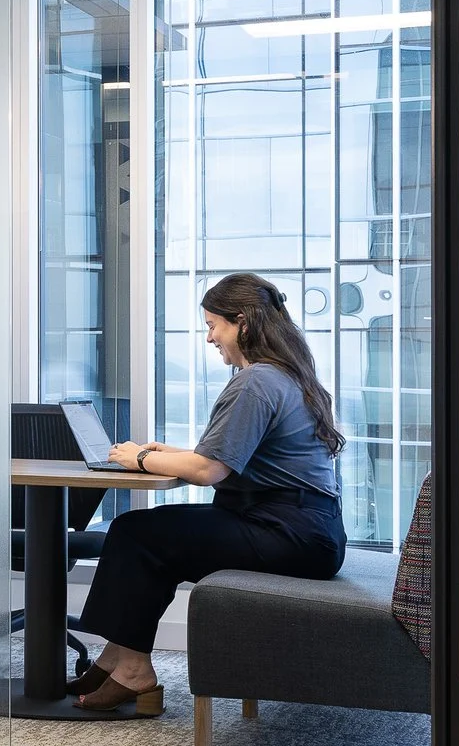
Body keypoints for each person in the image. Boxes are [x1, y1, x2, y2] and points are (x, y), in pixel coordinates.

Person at [74, 271, 350, 715]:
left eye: (213, 325)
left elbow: (208, 470)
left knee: (135, 532)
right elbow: (232, 458)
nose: (209, 338)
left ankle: (133, 672)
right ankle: (119, 658)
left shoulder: (257, 381)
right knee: (155, 537)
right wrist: (171, 454)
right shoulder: (286, 375)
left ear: (242, 321)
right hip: (308, 531)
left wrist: (138, 458)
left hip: (286, 531)